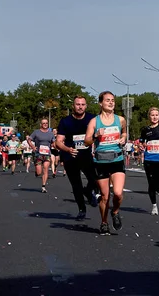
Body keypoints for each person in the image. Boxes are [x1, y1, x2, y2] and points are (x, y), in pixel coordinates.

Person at [84, 91, 127, 236]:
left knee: (118, 193)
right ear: (101, 103)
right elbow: (86, 141)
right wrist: (96, 135)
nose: (111, 102)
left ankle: (115, 212)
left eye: (113, 100)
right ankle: (104, 222)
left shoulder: (120, 120)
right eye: (107, 100)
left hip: (117, 160)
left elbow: (125, 133)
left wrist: (123, 138)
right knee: (104, 196)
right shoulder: (95, 122)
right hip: (101, 161)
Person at [55, 95, 99, 220]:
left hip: (86, 156)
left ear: (86, 106)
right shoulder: (65, 121)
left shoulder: (92, 119)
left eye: (82, 104)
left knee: (95, 180)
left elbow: (98, 135)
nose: (80, 107)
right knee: (76, 185)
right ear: (73, 106)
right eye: (78, 104)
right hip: (71, 156)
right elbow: (58, 142)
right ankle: (81, 210)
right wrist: (68, 149)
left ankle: (88, 193)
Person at [28, 119, 55, 193]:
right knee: (39, 172)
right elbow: (29, 139)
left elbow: (53, 142)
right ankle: (37, 173)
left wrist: (54, 145)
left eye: (46, 123)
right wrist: (33, 147)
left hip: (47, 154)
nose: (45, 124)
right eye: (44, 123)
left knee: (46, 169)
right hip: (38, 154)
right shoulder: (36, 132)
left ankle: (43, 186)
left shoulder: (51, 133)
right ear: (41, 124)